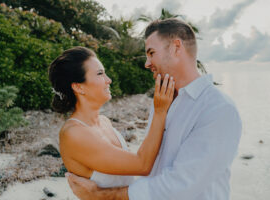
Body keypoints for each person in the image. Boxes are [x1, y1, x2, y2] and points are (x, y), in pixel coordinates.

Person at [66, 18, 242, 200]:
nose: (147, 63)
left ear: (176, 47)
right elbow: (151, 168)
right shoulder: (162, 101)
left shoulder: (218, 109)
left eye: (151, 53)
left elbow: (181, 185)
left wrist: (101, 196)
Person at [48, 46, 175, 188]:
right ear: (78, 87)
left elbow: (128, 175)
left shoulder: (104, 122)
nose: (108, 80)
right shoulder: (74, 133)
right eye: (100, 74)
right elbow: (143, 165)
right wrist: (160, 111)